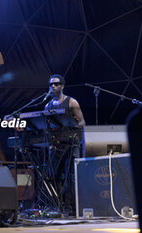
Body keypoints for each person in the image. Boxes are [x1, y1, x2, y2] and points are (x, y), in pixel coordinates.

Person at [44, 74, 85, 214]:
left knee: (71, 175)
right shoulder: (47, 105)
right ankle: (58, 205)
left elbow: (82, 122)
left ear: (62, 86)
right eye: (51, 84)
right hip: (56, 144)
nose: (53, 86)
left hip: (71, 143)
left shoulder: (72, 102)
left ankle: (73, 206)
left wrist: (69, 127)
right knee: (53, 174)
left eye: (56, 84)